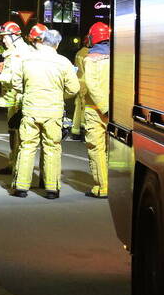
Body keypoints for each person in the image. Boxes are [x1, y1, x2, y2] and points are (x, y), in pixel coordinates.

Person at [10, 29, 80, 199]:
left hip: (31, 110)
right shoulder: (63, 62)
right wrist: (59, 95)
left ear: (42, 40)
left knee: (27, 146)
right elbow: (74, 88)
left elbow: (16, 83)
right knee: (52, 148)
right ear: (57, 44)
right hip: (53, 112)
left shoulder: (27, 59)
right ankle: (51, 189)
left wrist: (29, 92)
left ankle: (21, 187)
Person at [0, 21, 29, 174]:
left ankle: (17, 166)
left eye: (5, 37)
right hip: (13, 96)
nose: (3, 40)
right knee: (13, 131)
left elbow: (14, 78)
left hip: (18, 98)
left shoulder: (19, 53)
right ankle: (13, 163)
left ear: (14, 36)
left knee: (17, 132)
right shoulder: (15, 51)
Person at [80, 22, 111, 198]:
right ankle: (115, 183)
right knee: (113, 150)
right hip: (116, 110)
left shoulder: (90, 59)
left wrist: (104, 108)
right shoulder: (118, 57)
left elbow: (91, 85)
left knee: (96, 148)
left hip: (95, 110)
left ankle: (102, 187)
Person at [68, 37, 90, 141]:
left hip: (78, 82)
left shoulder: (79, 53)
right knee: (85, 108)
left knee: (78, 107)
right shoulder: (89, 54)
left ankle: (76, 130)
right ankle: (84, 129)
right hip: (86, 83)